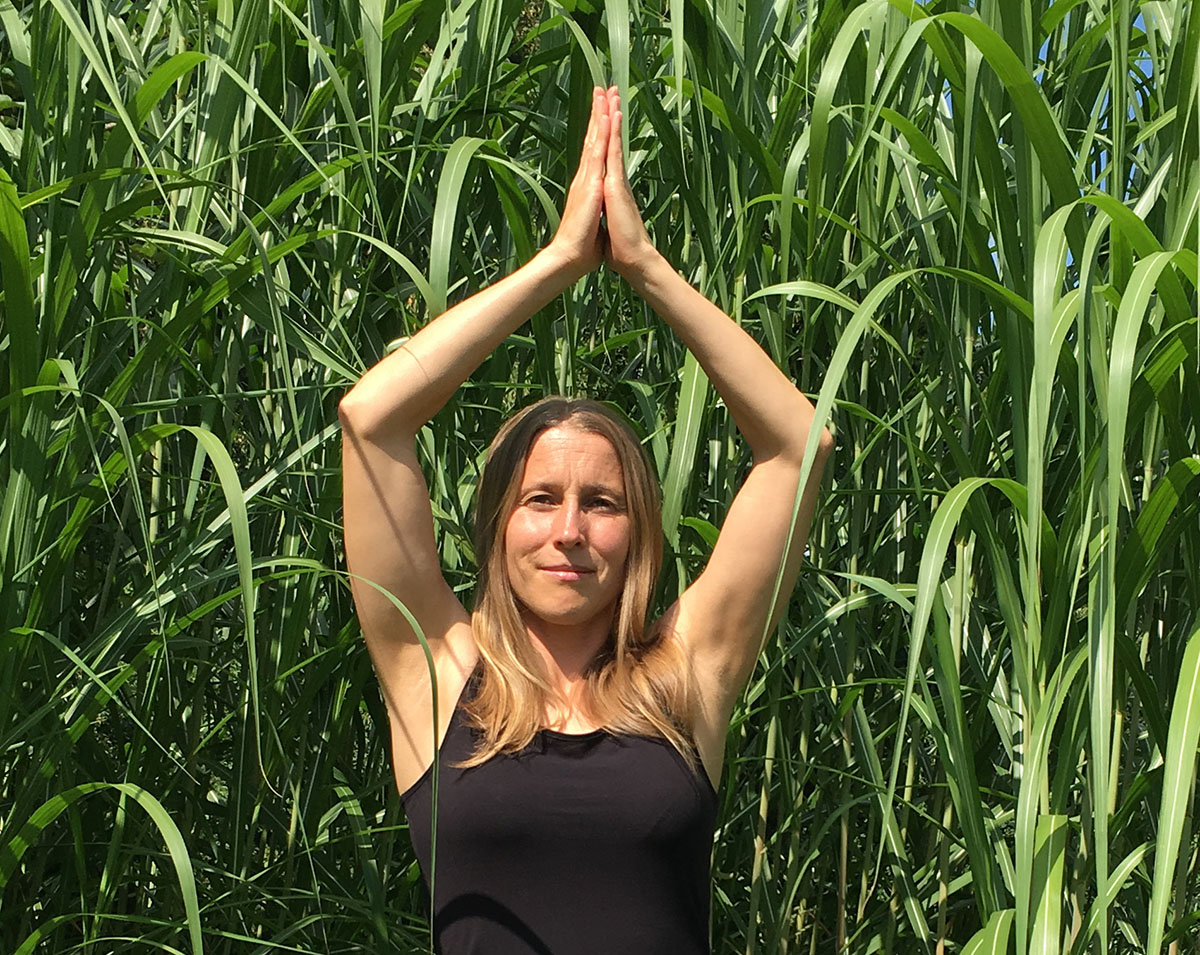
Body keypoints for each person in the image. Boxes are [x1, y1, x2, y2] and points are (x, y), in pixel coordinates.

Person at [339, 86, 833, 954]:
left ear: (636, 531)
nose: (569, 528)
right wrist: (560, 261)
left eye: (601, 503)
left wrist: (644, 267)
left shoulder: (687, 676)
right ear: (498, 527)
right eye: (540, 499)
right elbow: (370, 418)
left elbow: (799, 444)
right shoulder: (438, 673)